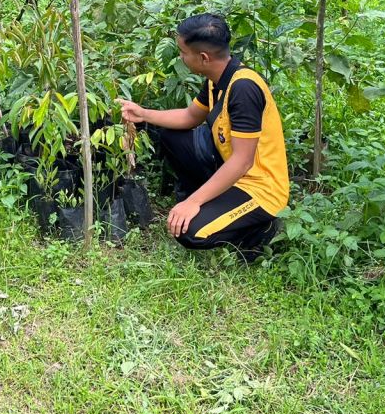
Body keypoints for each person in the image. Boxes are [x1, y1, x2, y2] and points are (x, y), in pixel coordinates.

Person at [116, 13, 288, 260]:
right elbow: (189, 117)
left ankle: (258, 230)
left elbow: (242, 161)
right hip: (231, 170)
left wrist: (193, 202)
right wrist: (142, 113)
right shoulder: (217, 78)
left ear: (203, 58)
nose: (181, 58)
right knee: (172, 137)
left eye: (183, 52)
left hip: (259, 188)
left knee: (191, 232)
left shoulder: (243, 88)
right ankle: (209, 201)